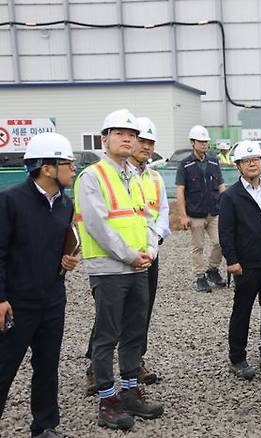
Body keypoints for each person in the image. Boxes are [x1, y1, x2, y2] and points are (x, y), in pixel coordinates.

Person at [74, 109, 163, 430]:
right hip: (110, 269)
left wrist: (150, 250)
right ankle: (108, 400)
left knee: (134, 332)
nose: (128, 139)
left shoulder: (137, 176)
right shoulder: (92, 176)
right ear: (105, 139)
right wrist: (129, 255)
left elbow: (148, 218)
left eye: (133, 134)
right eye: (120, 133)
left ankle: (129, 392)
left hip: (139, 266)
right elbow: (98, 225)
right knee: (106, 336)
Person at [0, 133, 80, 438]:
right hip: (16, 303)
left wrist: (67, 260)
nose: (73, 169)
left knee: (47, 367)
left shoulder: (65, 205)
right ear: (47, 168)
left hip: (52, 300)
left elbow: (62, 246)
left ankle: (45, 426)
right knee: (4, 368)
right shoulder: (9, 202)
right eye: (68, 164)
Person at [219, 141, 261, 380]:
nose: (252, 163)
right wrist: (232, 260)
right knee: (242, 311)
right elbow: (225, 231)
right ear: (238, 166)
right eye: (246, 161)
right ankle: (237, 358)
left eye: (256, 159)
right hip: (246, 265)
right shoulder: (231, 196)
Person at [176, 125, 226, 292]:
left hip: (214, 211)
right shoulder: (185, 164)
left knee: (220, 242)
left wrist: (227, 206)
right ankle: (199, 276)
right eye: (201, 141)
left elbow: (220, 185)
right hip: (195, 213)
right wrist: (183, 215)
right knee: (198, 246)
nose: (204, 145)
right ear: (193, 142)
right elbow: (180, 190)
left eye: (206, 142)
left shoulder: (213, 161)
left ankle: (212, 269)